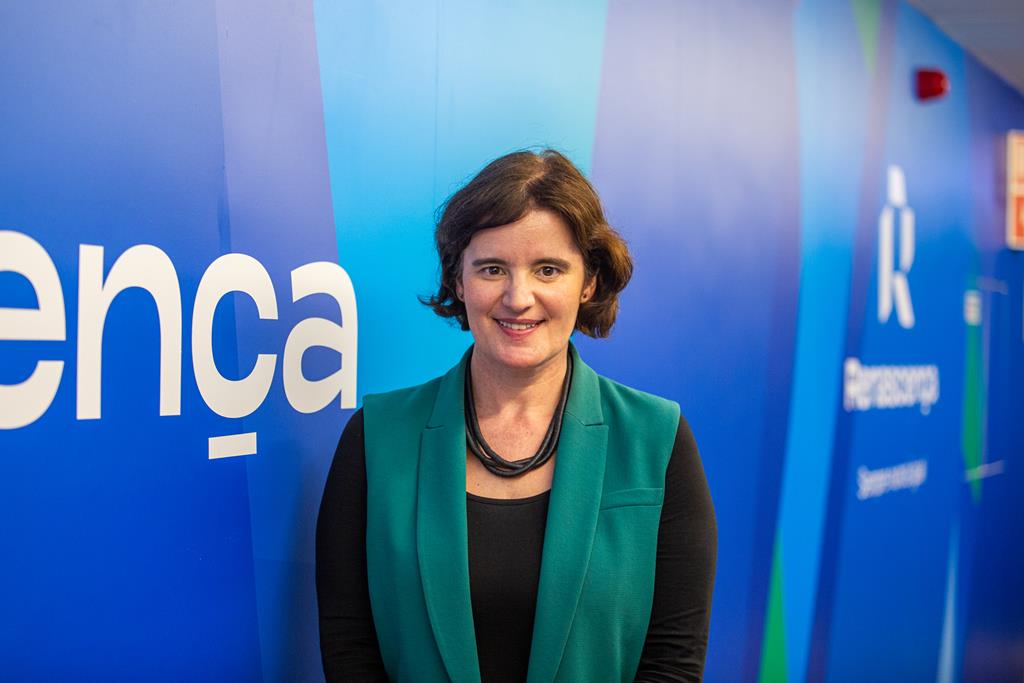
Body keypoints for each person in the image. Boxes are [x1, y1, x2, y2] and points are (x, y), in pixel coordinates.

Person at [316, 149, 717, 682]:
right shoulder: (377, 437)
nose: (518, 297)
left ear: (589, 281)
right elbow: (349, 646)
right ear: (458, 280)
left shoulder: (656, 439)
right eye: (492, 269)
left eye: (548, 269)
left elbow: (673, 662)